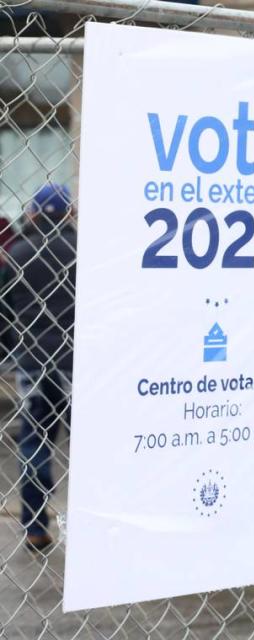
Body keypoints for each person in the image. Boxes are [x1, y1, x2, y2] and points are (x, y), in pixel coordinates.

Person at [0, 184, 76, 554]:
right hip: (76, 361)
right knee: (88, 443)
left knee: (34, 439)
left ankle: (35, 526)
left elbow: (6, 306)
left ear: (32, 214)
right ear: (69, 214)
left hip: (32, 360)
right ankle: (94, 520)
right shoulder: (82, 252)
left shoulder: (18, 252)